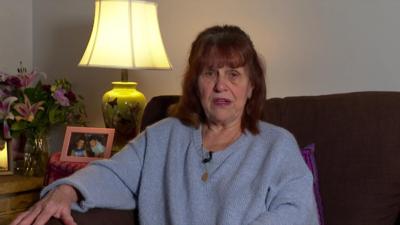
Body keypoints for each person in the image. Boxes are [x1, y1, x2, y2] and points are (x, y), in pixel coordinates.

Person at [11, 25, 319, 225]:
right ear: (195, 83)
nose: (221, 86)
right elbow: (114, 174)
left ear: (252, 86)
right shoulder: (162, 137)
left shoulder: (277, 145)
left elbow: (298, 213)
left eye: (234, 74)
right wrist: (67, 190)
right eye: (210, 73)